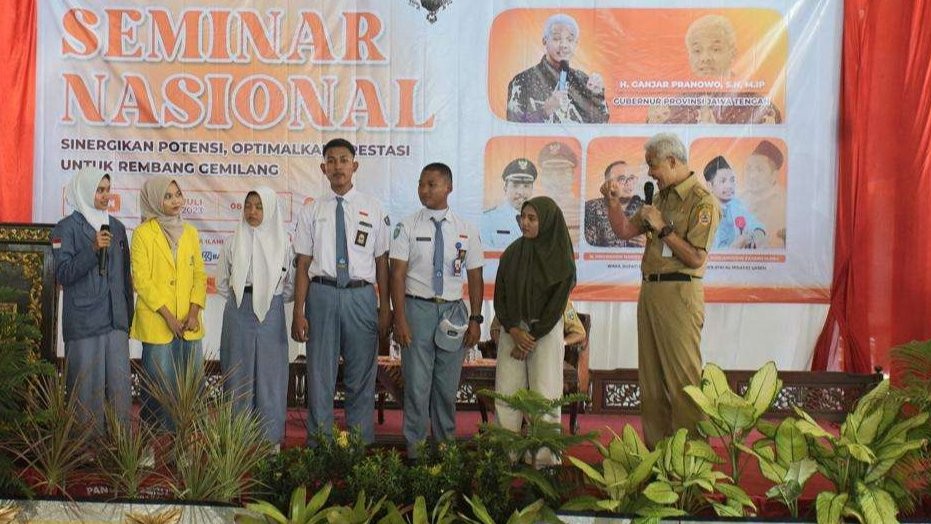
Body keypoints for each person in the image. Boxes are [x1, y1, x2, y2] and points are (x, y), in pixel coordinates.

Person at [599, 133, 720, 448]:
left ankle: (692, 462)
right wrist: (613, 204)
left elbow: (695, 258)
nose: (650, 172)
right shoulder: (659, 198)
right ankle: (658, 460)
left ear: (672, 161)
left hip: (680, 293)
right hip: (650, 292)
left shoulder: (701, 201)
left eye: (653, 165)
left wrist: (664, 228)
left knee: (683, 381)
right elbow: (625, 230)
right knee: (651, 384)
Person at [291, 138, 391, 445]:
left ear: (354, 165)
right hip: (321, 295)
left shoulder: (373, 208)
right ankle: (320, 446)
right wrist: (298, 311)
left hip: (361, 296)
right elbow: (304, 263)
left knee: (361, 375)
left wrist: (385, 308)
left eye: (343, 160)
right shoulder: (312, 211)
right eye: (331, 161)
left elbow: (382, 261)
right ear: (323, 168)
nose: (337, 167)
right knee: (320, 373)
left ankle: (359, 446)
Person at [389, 162, 485, 457]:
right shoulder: (407, 226)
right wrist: (400, 318)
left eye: (431, 184)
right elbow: (397, 275)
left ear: (449, 187)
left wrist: (475, 319)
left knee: (446, 388)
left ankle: (446, 451)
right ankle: (415, 453)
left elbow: (475, 276)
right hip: (417, 311)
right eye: (421, 184)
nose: (424, 190)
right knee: (416, 387)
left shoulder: (465, 230)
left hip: (453, 313)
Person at [494, 196, 576, 465]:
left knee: (545, 397)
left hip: (546, 333)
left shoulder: (561, 258)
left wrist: (532, 336)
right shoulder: (512, 253)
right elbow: (500, 297)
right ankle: (506, 457)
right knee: (507, 396)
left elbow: (556, 304)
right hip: (512, 333)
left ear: (548, 221)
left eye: (532, 218)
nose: (525, 223)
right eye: (522, 218)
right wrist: (515, 330)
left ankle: (544, 462)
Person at [51, 166, 133, 435]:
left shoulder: (117, 228)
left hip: (115, 322)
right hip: (85, 322)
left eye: (108, 190)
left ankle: (120, 451)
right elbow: (63, 274)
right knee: (86, 392)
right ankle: (85, 454)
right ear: (86, 190)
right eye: (99, 190)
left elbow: (124, 278)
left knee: (120, 391)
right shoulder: (66, 228)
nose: (105, 196)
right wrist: (92, 249)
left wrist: (126, 319)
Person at [216, 187, 294, 446]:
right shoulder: (232, 241)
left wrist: (268, 298)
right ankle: (238, 441)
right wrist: (244, 298)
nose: (252, 211)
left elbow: (291, 285)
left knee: (271, 377)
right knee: (238, 375)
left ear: (270, 209)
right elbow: (221, 282)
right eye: (248, 205)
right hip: (239, 309)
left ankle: (270, 442)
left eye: (259, 206)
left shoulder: (284, 244)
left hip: (271, 311)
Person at [130, 176, 207, 430]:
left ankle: (182, 445)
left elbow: (199, 275)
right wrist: (168, 317)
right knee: (156, 387)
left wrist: (193, 312)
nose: (176, 200)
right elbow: (142, 281)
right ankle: (149, 444)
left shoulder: (191, 232)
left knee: (189, 387)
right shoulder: (142, 234)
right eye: (168, 196)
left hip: (189, 324)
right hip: (157, 323)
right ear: (154, 200)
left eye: (178, 194)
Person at [648, 15, 783, 125]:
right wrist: (652, 123)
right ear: (689, 57)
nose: (705, 58)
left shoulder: (761, 108)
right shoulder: (672, 108)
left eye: (715, 49)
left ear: (733, 53)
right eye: (697, 50)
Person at [506, 13, 609, 124]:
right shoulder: (522, 81)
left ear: (576, 44)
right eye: (556, 38)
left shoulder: (583, 80)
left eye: (570, 40)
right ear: (544, 41)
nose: (564, 44)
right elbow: (512, 125)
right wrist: (545, 111)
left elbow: (601, 123)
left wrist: (598, 96)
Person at [490, 300, 588, 395]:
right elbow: (495, 329)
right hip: (513, 355)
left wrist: (559, 343)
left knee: (543, 398)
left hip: (546, 358)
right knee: (508, 398)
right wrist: (506, 344)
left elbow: (579, 333)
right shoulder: (512, 295)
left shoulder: (560, 299)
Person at [703, 156, 767, 249]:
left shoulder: (736, 204)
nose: (730, 186)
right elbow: (709, 250)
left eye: (732, 180)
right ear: (709, 186)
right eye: (723, 181)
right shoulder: (705, 211)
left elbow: (756, 224)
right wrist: (734, 247)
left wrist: (756, 235)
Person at [584, 161, 645, 247]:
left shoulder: (645, 208)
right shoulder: (591, 208)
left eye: (631, 178)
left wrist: (648, 243)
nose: (628, 183)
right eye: (622, 179)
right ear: (608, 183)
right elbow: (589, 247)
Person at [482, 158, 537, 249]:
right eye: (515, 186)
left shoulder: (540, 220)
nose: (521, 192)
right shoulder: (489, 219)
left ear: (532, 190)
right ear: (505, 188)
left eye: (526, 186)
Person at [742, 140, 787, 248]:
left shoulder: (785, 202)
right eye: (748, 169)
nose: (752, 175)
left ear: (774, 176)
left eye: (759, 169)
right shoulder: (739, 199)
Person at [537, 141, 581, 245]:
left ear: (573, 176)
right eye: (548, 172)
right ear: (541, 177)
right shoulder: (532, 209)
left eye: (561, 171)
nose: (555, 179)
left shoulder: (583, 210)